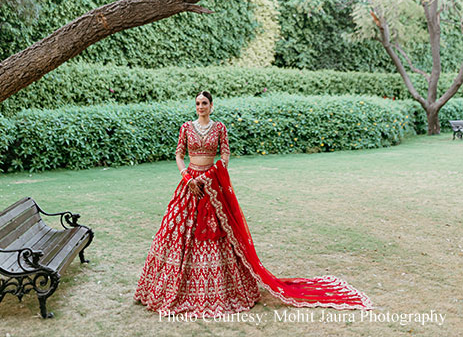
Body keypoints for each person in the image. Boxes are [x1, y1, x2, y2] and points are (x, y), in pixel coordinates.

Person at [134, 90, 373, 317]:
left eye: (204, 104)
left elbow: (225, 154)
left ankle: (225, 290)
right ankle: (174, 289)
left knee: (220, 235)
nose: (200, 107)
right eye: (197, 104)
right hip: (190, 186)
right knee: (179, 233)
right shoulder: (186, 127)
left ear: (211, 106)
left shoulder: (219, 128)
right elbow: (178, 154)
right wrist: (187, 177)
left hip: (212, 186)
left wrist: (210, 175)